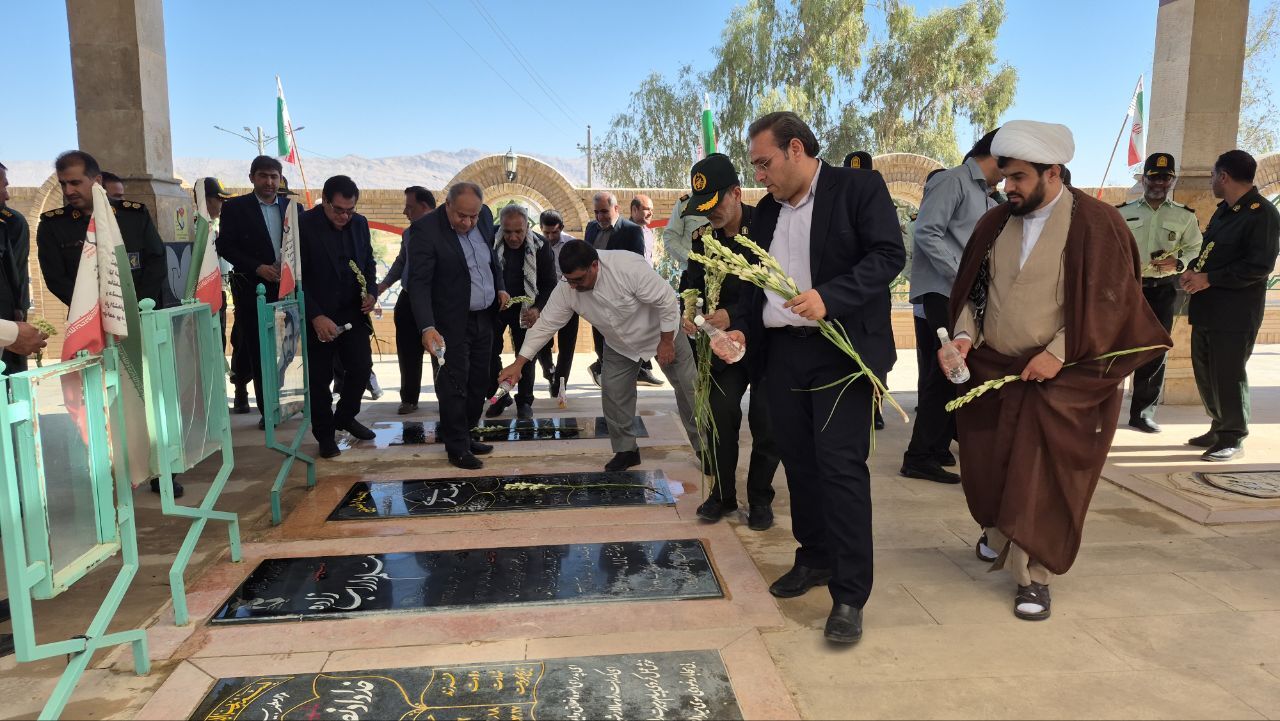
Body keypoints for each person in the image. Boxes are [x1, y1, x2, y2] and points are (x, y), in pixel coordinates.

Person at [948, 120, 1170, 621]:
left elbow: (1112, 305)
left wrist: (1059, 353)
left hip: (1063, 379)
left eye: (1019, 178)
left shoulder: (1097, 224)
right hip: (994, 371)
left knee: (1040, 478)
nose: (1008, 187)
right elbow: (974, 294)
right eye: (1005, 176)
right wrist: (963, 337)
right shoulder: (995, 222)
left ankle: (1034, 575)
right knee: (990, 465)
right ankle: (997, 533)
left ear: (1052, 173)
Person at [717, 112, 905, 645]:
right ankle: (815, 557)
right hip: (783, 356)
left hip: (840, 353)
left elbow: (889, 255)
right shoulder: (767, 215)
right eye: (755, 168)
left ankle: (850, 593)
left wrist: (830, 297)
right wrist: (742, 332)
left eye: (765, 163)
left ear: (796, 148)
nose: (760, 176)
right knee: (798, 463)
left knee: (840, 468)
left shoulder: (858, 189)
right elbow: (754, 288)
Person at [497, 240, 700, 471]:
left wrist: (666, 341)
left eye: (578, 280)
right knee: (614, 395)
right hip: (619, 344)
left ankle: (706, 449)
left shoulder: (627, 267)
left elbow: (666, 300)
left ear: (595, 265)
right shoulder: (567, 287)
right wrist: (518, 364)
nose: (573, 286)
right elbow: (545, 326)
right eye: (569, 280)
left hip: (663, 333)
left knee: (690, 390)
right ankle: (626, 451)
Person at [678, 153, 780, 531]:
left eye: (715, 203)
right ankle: (722, 495)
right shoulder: (703, 240)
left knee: (767, 422)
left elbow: (773, 288)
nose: (710, 214)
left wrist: (733, 316)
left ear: (736, 193)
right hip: (722, 347)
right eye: (703, 208)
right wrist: (689, 310)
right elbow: (691, 282)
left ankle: (760, 498)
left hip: (766, 343)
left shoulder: (768, 228)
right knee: (720, 416)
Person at [900, 129, 1002, 484]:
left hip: (962, 294)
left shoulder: (986, 196)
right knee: (946, 373)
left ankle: (937, 447)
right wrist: (964, 276)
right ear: (998, 153)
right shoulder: (953, 180)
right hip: (944, 291)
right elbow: (927, 231)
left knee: (947, 373)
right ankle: (918, 456)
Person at [1182, 149, 1280, 462]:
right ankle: (1219, 426)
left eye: (1212, 175)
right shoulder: (1225, 211)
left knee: (1228, 374)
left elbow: (1259, 266)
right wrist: (1193, 271)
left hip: (1235, 313)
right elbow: (1210, 251)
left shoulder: (1262, 214)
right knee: (1206, 374)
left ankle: (1233, 437)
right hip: (1208, 308)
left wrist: (1209, 278)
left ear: (1224, 176)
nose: (1210, 181)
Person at [409, 182, 508, 470]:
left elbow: (491, 260)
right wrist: (427, 327)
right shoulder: (425, 230)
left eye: (473, 216)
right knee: (453, 385)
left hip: (484, 318)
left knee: (479, 381)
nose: (467, 223)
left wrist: (500, 286)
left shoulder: (485, 216)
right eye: (461, 216)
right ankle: (456, 447)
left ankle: (466, 433)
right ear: (448, 205)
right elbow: (419, 284)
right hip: (449, 322)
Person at [1117, 152, 1203, 434]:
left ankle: (1142, 414)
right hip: (1127, 290)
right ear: (1144, 179)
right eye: (1154, 177)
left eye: (1165, 178)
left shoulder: (1184, 216)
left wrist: (1179, 263)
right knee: (1116, 348)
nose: (1159, 183)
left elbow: (1195, 248)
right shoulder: (1122, 213)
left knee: (1155, 351)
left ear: (1172, 181)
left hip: (1162, 291)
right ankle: (1103, 408)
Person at [299, 175, 377, 459]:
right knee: (320, 380)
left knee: (361, 367)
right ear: (325, 201)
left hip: (352, 312)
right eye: (339, 210)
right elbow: (295, 278)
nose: (345, 217)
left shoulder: (360, 223)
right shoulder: (302, 225)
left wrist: (371, 292)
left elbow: (368, 262)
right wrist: (315, 315)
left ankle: (345, 416)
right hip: (319, 315)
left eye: (350, 210)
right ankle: (325, 435)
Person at [37, 150, 166, 311]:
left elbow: (156, 261)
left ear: (97, 181)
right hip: (88, 315)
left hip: (140, 311)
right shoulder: (53, 225)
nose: (68, 191)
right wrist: (97, 310)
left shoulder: (134, 216)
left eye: (75, 183)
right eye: (63, 184)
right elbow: (55, 278)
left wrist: (135, 307)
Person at [216, 156, 292, 426]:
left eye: (274, 177)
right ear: (252, 178)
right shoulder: (235, 208)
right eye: (263, 176)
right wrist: (258, 268)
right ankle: (268, 411)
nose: (269, 182)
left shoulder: (293, 208)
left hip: (288, 290)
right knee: (260, 351)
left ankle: (294, 403)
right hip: (253, 290)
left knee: (291, 349)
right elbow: (225, 246)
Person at [583, 192, 662, 387]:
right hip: (595, 296)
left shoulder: (631, 231)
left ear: (616, 208)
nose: (599, 217)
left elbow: (635, 267)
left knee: (624, 341)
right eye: (596, 212)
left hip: (620, 298)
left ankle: (625, 373)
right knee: (600, 336)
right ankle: (603, 368)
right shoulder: (591, 228)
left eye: (604, 212)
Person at [487, 205, 556, 420]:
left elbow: (549, 284)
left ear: (528, 226)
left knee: (526, 355)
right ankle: (499, 397)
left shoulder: (541, 245)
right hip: (495, 308)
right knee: (488, 354)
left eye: (519, 231)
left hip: (526, 308)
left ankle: (525, 401)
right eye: (507, 232)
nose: (513, 237)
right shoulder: (489, 241)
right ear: (501, 227)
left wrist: (537, 309)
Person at [375, 186, 437, 415]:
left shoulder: (446, 231)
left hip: (435, 300)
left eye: (409, 207)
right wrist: (383, 286)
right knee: (408, 352)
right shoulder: (409, 233)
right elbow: (402, 261)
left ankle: (447, 398)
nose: (404, 212)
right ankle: (409, 399)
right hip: (408, 298)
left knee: (440, 351)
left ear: (424, 207)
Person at [534, 209, 579, 397]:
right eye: (546, 233)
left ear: (561, 228)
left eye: (555, 232)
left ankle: (560, 385)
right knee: (542, 340)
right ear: (541, 228)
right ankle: (548, 369)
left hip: (569, 300)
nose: (550, 237)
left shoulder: (572, 244)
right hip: (544, 300)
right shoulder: (535, 243)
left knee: (567, 346)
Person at [0, 161, 32, 374]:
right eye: (3, 186)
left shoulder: (10, 224)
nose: (7, 196)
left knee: (13, 378)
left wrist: (19, 309)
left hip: (10, 315)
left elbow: (16, 271)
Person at [661, 193, 710, 273]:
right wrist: (691, 258)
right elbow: (670, 238)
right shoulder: (685, 203)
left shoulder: (727, 200)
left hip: (724, 271)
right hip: (693, 272)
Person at [630, 194, 657, 265]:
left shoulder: (649, 233)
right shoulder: (621, 232)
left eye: (651, 210)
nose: (651, 213)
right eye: (647, 209)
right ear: (635, 210)